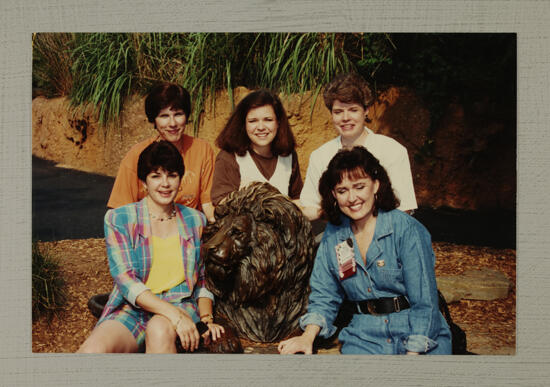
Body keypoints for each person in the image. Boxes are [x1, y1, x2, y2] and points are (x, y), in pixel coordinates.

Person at [278, 146, 451, 355]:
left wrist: (413, 354)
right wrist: (307, 337)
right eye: (342, 191)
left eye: (359, 187)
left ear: (376, 185)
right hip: (364, 337)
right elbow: (325, 293)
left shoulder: (406, 229)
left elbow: (425, 302)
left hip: (417, 333)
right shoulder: (334, 235)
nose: (352, 198)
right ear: (333, 194)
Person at [78, 141, 224, 353]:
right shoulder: (119, 219)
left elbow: (203, 278)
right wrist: (174, 316)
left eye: (172, 175)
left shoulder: (195, 220)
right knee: (91, 351)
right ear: (143, 182)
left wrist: (206, 319)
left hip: (180, 303)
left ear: (180, 179)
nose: (165, 183)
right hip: (133, 308)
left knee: (158, 329)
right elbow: (126, 280)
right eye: (156, 176)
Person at [299, 73, 417, 221]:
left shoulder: (392, 150)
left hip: (385, 232)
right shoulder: (320, 156)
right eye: (338, 112)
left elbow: (404, 208)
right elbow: (311, 205)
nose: (345, 118)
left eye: (353, 110)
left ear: (366, 110)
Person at [107, 82, 216, 223]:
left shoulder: (202, 150)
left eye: (178, 114)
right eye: (164, 116)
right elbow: (120, 211)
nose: (172, 123)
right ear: (154, 120)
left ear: (187, 116)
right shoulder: (137, 155)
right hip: (147, 231)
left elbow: (208, 205)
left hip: (188, 231)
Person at [211, 89, 302, 205]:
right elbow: (221, 202)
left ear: (278, 122)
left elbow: (298, 198)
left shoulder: (288, 155)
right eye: (253, 121)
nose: (260, 127)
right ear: (243, 124)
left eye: (268, 120)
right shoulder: (228, 157)